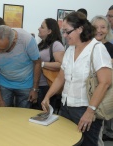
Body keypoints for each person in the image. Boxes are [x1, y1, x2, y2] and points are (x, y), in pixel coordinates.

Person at [41, 12, 112, 146]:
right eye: (63, 32)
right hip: (66, 106)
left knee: (87, 143)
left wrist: (90, 111)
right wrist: (47, 96)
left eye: (67, 32)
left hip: (86, 108)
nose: (65, 35)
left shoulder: (97, 49)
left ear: (80, 29)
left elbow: (105, 82)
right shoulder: (69, 50)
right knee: (66, 142)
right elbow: (61, 78)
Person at [0, 25, 41, 108]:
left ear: (14, 42)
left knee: (22, 117)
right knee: (3, 115)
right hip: (4, 84)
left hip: (26, 84)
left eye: (3, 49)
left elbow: (38, 63)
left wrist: (35, 89)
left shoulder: (27, 40)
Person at [32, 18, 65, 110]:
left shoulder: (56, 44)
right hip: (38, 84)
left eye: (42, 27)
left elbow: (61, 65)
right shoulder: (42, 44)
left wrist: (41, 64)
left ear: (49, 31)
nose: (39, 28)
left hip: (47, 85)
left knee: (44, 113)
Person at [91, 15, 113, 142]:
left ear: (108, 29)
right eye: (95, 27)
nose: (99, 30)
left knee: (96, 130)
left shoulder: (110, 47)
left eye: (103, 27)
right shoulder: (87, 46)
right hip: (86, 93)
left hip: (103, 91)